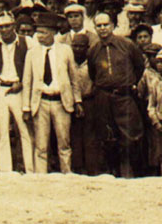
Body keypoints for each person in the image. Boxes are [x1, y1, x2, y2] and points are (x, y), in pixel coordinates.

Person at [22, 12, 82, 174]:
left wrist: (77, 101)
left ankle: (66, 174)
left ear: (54, 33)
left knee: (64, 143)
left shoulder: (65, 50)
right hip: (40, 102)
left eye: (44, 33)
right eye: (38, 33)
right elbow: (27, 81)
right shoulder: (32, 53)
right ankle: (41, 177)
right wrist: (26, 107)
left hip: (61, 102)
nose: (40, 36)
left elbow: (74, 78)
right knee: (41, 145)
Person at [88, 13, 146, 178]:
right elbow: (93, 73)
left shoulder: (127, 45)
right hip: (103, 97)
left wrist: (128, 83)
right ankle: (112, 172)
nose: (103, 28)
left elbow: (139, 66)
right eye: (99, 26)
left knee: (132, 135)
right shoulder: (93, 50)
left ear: (112, 25)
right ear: (95, 28)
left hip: (124, 96)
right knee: (107, 137)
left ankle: (135, 173)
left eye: (106, 24)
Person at [0, 12, 35, 173]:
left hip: (20, 89)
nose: (4, 30)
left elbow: (33, 66)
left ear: (14, 26)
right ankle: (5, 170)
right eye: (1, 27)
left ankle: (30, 169)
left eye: (7, 26)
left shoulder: (26, 42)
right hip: (1, 88)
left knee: (25, 130)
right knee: (2, 131)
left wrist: (22, 83)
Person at [70, 33, 100, 175]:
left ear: (87, 48)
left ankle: (91, 169)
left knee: (90, 136)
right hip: (72, 103)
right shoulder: (68, 62)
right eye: (74, 46)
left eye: (81, 46)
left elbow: (98, 79)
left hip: (89, 101)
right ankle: (77, 168)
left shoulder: (92, 62)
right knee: (75, 136)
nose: (77, 49)